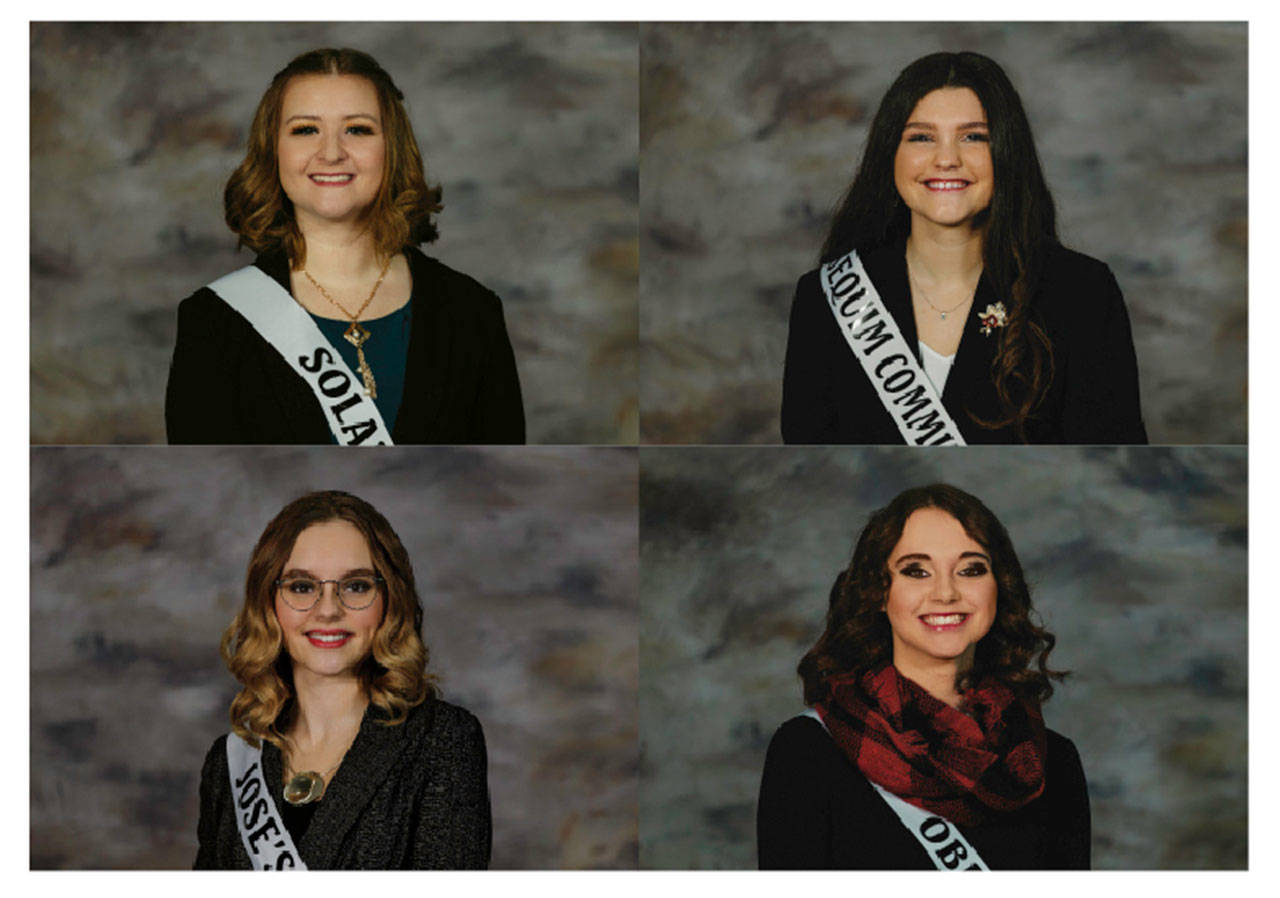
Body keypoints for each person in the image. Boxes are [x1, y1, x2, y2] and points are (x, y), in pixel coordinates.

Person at [781, 52, 1146, 445]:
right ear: (890, 154)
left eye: (973, 137)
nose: (946, 159)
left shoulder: (1081, 293)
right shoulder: (827, 297)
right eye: (921, 137)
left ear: (1006, 152)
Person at [166, 48, 524, 445]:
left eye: (358, 129)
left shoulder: (473, 313)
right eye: (305, 130)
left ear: (392, 148)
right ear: (273, 150)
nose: (332, 152)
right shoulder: (214, 322)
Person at [757, 484, 1089, 869]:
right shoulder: (809, 750)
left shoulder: (1052, 762)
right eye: (917, 571)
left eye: (971, 570)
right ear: (879, 593)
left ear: (999, 588)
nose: (945, 593)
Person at [195, 490, 491, 869]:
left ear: (390, 601)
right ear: (268, 603)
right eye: (301, 586)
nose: (329, 610)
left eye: (356, 586)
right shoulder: (231, 763)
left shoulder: (442, 741)